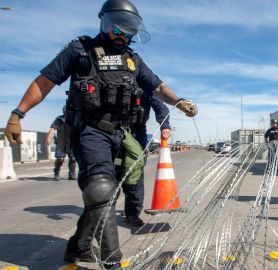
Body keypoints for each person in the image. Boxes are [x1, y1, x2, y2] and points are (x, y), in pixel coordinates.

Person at [4, 0, 198, 268]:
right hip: (89, 129)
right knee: (101, 189)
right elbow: (45, 81)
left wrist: (179, 101)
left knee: (105, 196)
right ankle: (111, 261)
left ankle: (79, 246)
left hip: (122, 134)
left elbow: (156, 86)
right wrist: (18, 113)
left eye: (129, 31)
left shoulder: (133, 60)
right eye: (117, 28)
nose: (123, 35)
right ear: (104, 22)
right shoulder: (80, 50)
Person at [122, 93, 171, 227]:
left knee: (135, 172)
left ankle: (132, 213)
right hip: (109, 131)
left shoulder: (143, 82)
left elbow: (160, 106)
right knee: (106, 174)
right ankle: (101, 210)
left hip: (136, 133)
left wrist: (165, 125)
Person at [45, 108, 76, 180]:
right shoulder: (59, 119)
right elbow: (53, 128)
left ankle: (72, 174)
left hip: (72, 141)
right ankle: (56, 171)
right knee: (60, 159)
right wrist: (49, 138)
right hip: (61, 141)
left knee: (73, 159)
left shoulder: (74, 118)